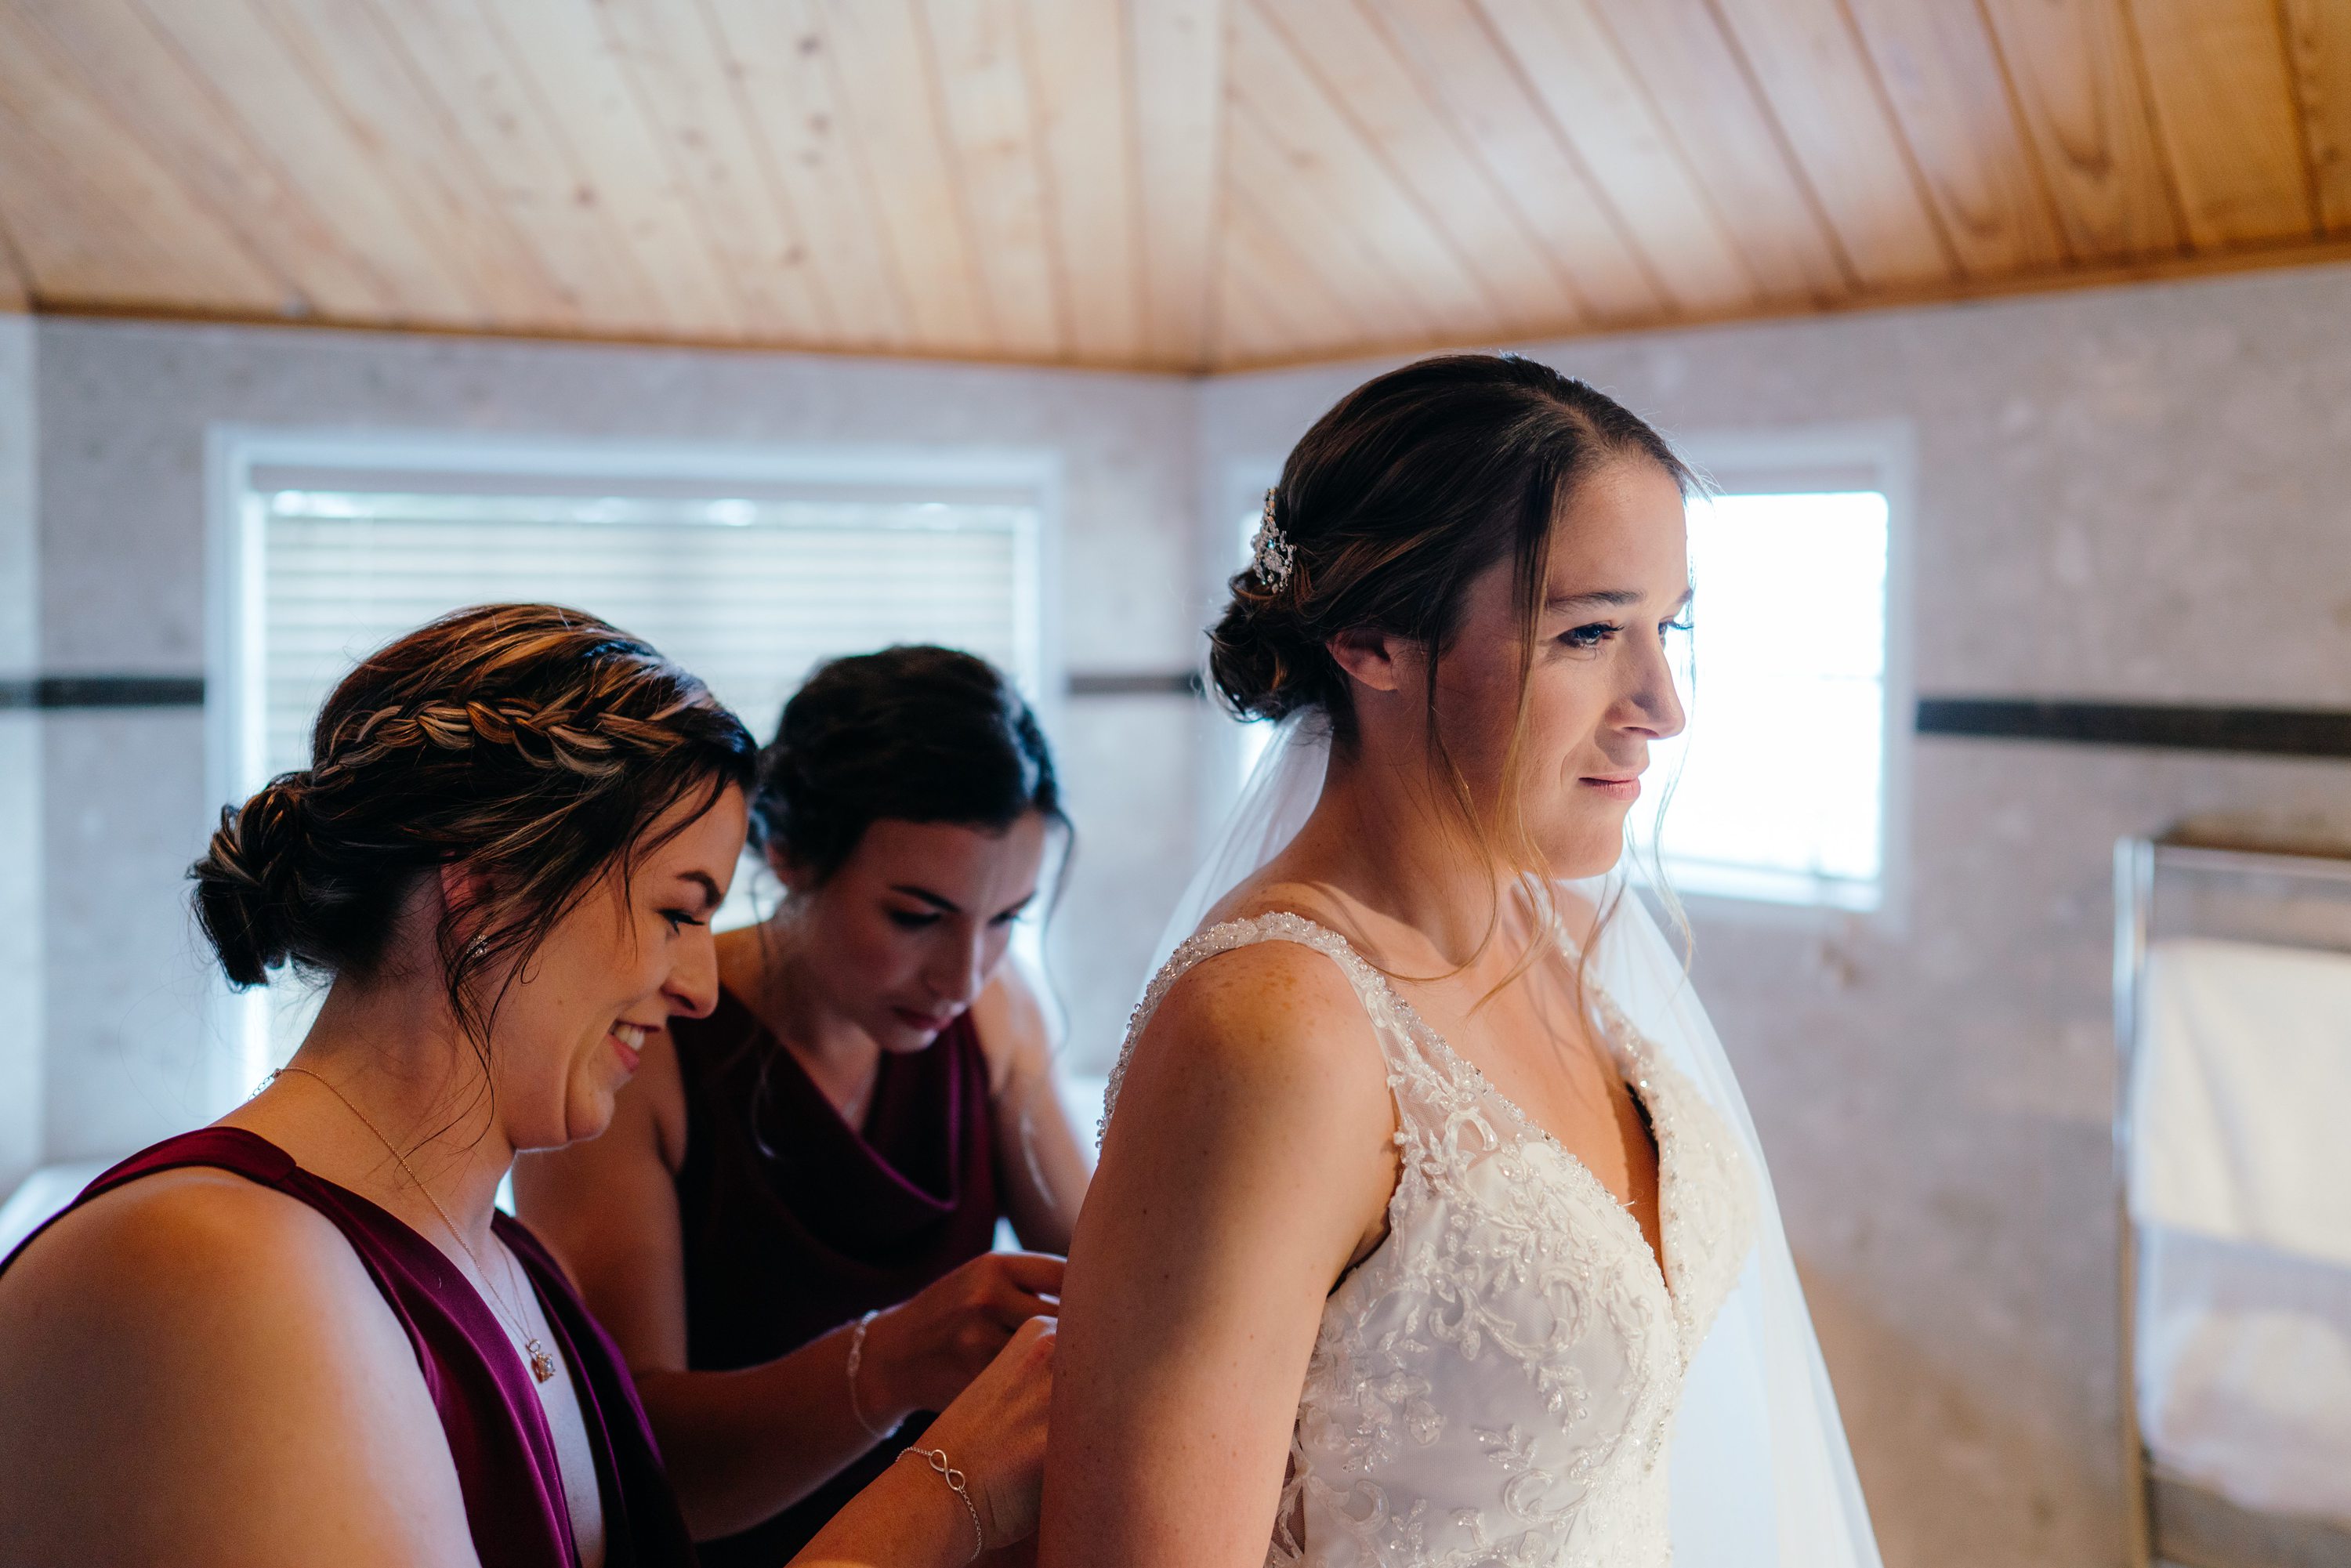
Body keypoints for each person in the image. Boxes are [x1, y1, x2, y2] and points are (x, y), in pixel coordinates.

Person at [1039, 356, 1881, 1568]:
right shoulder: (1273, 1026)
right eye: (1590, 631)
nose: (1661, 703)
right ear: (1371, 635)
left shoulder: (1575, 938)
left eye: (1669, 628)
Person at [0, 605, 1053, 1568]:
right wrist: (949, 1495)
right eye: (678, 912)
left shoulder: (507, 1262)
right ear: (482, 899)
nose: (698, 987)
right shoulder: (211, 1260)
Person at [516, 644, 1090, 1563]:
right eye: (915, 917)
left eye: (1005, 919)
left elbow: (1108, 1269)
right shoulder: (641, 1051)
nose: (961, 972)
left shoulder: (995, 1005)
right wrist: (889, 1360)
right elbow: (633, 1468)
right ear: (785, 855)